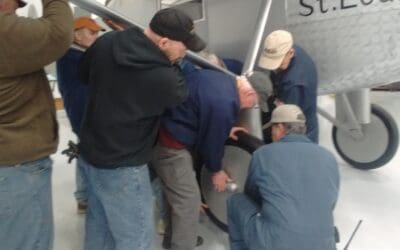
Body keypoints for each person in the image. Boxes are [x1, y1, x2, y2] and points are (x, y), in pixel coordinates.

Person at [77, 8, 206, 250]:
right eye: (183, 46)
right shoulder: (164, 78)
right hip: (123, 167)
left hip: (90, 153)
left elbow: (84, 74)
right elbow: (180, 92)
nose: (185, 52)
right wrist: (173, 62)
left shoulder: (108, 42)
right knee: (135, 239)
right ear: (165, 42)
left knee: (99, 227)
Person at [151, 52, 269, 250]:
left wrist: (223, 127)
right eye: (254, 103)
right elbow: (212, 142)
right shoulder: (225, 103)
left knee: (177, 198)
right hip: (169, 146)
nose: (251, 107)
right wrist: (216, 171)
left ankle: (172, 242)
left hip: (163, 129)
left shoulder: (223, 79)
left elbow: (202, 112)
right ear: (249, 94)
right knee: (188, 202)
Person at [0, 0, 73, 249]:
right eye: (15, 5)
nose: (17, 11)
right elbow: (59, 33)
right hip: (14, 167)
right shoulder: (4, 31)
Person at [227, 104, 340, 250]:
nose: (272, 133)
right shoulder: (329, 157)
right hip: (325, 245)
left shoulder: (263, 154)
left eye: (272, 128)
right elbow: (330, 202)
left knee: (235, 201)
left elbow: (253, 196)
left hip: (276, 244)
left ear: (280, 128)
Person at [56, 16, 104, 214]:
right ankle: (87, 197)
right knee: (89, 157)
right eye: (91, 33)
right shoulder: (74, 57)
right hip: (85, 116)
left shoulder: (75, 54)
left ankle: (83, 197)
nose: (96, 37)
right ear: (76, 35)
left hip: (81, 115)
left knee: (83, 153)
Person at [259, 30, 319, 143]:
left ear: (290, 53)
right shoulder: (290, 48)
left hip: (299, 132)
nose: (274, 68)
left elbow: (287, 122)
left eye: (278, 63)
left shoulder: (294, 85)